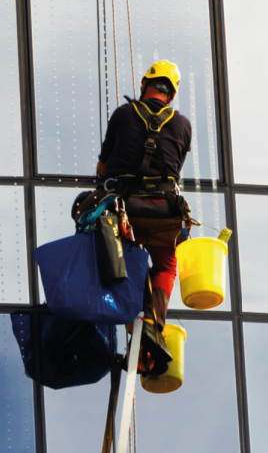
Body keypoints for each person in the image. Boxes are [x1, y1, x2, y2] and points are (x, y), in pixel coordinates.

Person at [83, 60, 193, 373]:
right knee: (166, 264)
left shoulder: (122, 114)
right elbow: (172, 167)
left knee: (124, 264)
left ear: (146, 83)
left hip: (125, 210)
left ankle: (139, 332)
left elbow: (104, 166)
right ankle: (153, 327)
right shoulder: (182, 125)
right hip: (164, 210)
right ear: (170, 96)